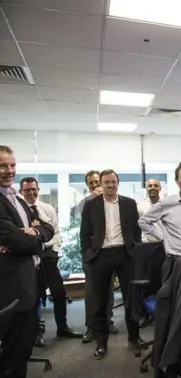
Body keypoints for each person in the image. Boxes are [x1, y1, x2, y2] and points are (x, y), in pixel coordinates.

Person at [0, 145, 54, 378]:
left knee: (23, 347)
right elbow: (15, 239)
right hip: (11, 285)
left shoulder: (16, 199)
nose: (9, 170)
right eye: (2, 165)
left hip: (29, 281)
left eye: (12, 165)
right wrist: (28, 235)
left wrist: (35, 233)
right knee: (12, 351)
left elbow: (47, 227)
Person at [80, 169, 142, 359]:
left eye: (113, 182)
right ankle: (101, 343)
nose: (110, 185)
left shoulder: (130, 204)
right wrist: (88, 255)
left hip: (125, 254)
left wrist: (135, 249)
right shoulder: (91, 205)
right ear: (101, 184)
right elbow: (85, 234)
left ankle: (134, 337)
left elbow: (135, 229)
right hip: (101, 256)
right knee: (99, 302)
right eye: (106, 182)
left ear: (118, 183)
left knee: (131, 299)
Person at [18, 177, 82, 347]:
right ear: (20, 191)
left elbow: (57, 232)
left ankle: (62, 327)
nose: (31, 193)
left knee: (59, 294)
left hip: (49, 257)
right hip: (30, 259)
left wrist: (53, 249)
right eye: (27, 190)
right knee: (35, 297)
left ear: (38, 189)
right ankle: (36, 333)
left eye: (34, 189)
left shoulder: (47, 209)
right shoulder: (19, 211)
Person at [78, 170, 117, 343]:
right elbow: (84, 230)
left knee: (108, 290)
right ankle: (91, 326)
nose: (94, 185)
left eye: (96, 182)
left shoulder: (113, 200)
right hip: (93, 254)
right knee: (92, 293)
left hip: (110, 251)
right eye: (91, 183)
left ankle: (107, 321)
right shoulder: (85, 203)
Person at [137, 178, 162, 243]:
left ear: (160, 188)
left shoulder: (166, 205)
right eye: (150, 186)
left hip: (163, 244)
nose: (153, 187)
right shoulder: (140, 206)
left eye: (156, 185)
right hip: (146, 245)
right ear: (146, 188)